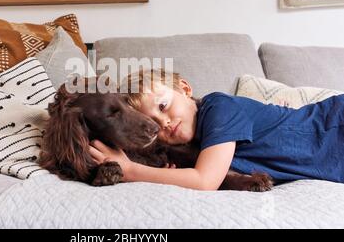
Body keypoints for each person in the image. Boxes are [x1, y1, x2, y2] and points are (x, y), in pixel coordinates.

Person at [88, 69, 344, 190]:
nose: (163, 123)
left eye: (164, 106)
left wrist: (130, 169)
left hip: (333, 128)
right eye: (153, 125)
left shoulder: (219, 107)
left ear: (185, 89)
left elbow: (205, 180)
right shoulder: (197, 148)